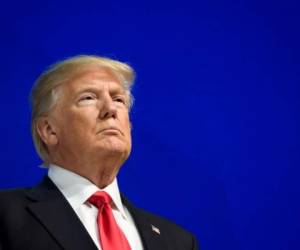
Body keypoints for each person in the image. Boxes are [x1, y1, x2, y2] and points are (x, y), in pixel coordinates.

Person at [0, 55, 199, 250]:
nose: (110, 109)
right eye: (88, 97)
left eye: (118, 99)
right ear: (49, 130)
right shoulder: (7, 217)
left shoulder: (178, 241)